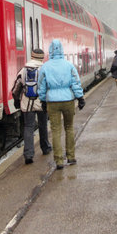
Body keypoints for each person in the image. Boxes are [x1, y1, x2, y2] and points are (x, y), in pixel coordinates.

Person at [38, 39, 85, 170]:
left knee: (55, 130)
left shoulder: (45, 66)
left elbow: (41, 86)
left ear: (50, 51)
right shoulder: (69, 65)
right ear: (62, 50)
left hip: (52, 102)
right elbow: (76, 82)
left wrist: (42, 100)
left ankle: (59, 160)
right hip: (68, 100)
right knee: (69, 127)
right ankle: (71, 156)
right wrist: (80, 97)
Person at [12, 48, 51, 164]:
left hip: (27, 103)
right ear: (41, 58)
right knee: (43, 125)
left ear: (32, 57)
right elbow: (48, 86)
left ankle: (28, 154)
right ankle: (45, 148)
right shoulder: (44, 69)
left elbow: (16, 88)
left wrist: (16, 100)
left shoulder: (23, 70)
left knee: (28, 127)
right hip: (41, 103)